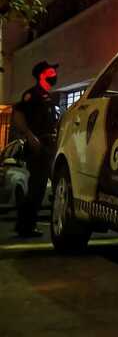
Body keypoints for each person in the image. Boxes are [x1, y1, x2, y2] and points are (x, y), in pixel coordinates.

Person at [12, 61, 61, 237]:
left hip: (49, 146)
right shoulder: (32, 94)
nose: (54, 74)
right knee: (36, 187)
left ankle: (25, 224)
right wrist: (29, 135)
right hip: (38, 146)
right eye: (50, 71)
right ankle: (26, 226)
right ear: (42, 75)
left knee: (40, 188)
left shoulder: (48, 96)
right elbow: (18, 114)